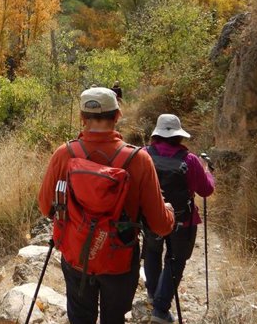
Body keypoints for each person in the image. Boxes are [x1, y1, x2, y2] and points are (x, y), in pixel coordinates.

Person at [38, 87, 175, 324]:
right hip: (118, 260)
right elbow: (161, 226)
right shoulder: (139, 159)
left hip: (76, 256)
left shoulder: (64, 154)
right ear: (118, 116)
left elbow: (45, 207)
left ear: (82, 118)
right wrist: (170, 213)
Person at [142, 114, 215, 324]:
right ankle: (160, 308)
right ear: (178, 136)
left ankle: (153, 294)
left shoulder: (145, 154)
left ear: (157, 134)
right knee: (175, 261)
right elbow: (206, 190)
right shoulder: (190, 160)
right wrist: (206, 171)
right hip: (183, 220)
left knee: (152, 252)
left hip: (152, 217)